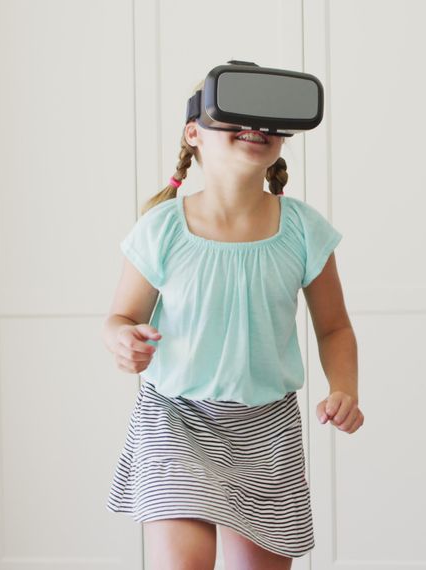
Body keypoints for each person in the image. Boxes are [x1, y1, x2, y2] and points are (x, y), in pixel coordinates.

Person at [103, 76, 363, 570]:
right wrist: (122, 339)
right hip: (176, 417)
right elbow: (121, 316)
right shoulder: (161, 228)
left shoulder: (304, 230)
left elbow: (334, 327)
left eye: (269, 116)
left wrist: (344, 387)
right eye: (236, 112)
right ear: (193, 133)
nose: (255, 124)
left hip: (267, 426)